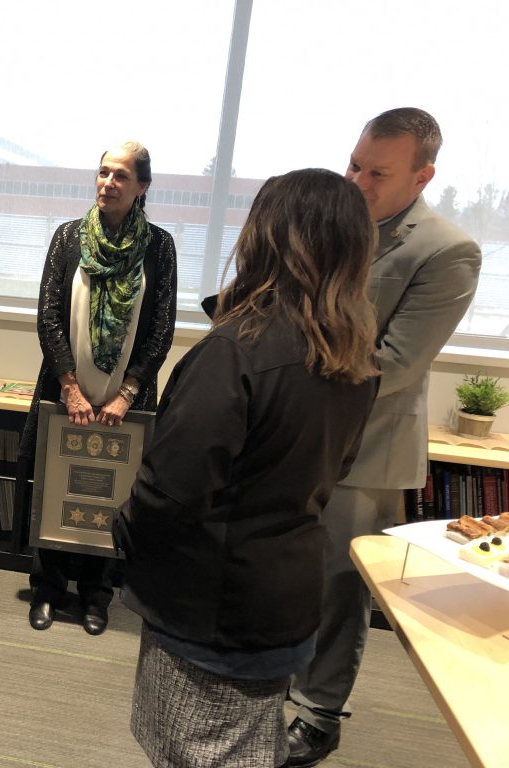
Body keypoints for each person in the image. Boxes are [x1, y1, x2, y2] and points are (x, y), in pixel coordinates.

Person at [114, 168, 380, 768]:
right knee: (247, 745)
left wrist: (122, 538)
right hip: (284, 596)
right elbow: (332, 472)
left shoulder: (236, 351)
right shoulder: (355, 358)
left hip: (213, 605)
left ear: (268, 236)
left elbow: (171, 494)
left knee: (201, 753)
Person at [286, 109, 482, 766]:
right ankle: (279, 683)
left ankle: (318, 713)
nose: (358, 181)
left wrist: (288, 378)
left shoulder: (447, 251)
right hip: (296, 434)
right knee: (288, 572)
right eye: (354, 164)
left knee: (341, 588)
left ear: (423, 175)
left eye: (378, 173)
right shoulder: (334, 226)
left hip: (367, 453)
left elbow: (395, 365)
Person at [18, 141, 177, 636]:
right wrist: (70, 385)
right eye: (103, 173)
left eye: (121, 176)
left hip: (123, 405)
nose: (108, 183)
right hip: (65, 395)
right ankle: (48, 588)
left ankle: (96, 595)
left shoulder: (160, 247)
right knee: (55, 486)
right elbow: (48, 317)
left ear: (142, 187)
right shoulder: (68, 238)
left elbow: (162, 327)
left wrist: (127, 392)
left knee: (111, 494)